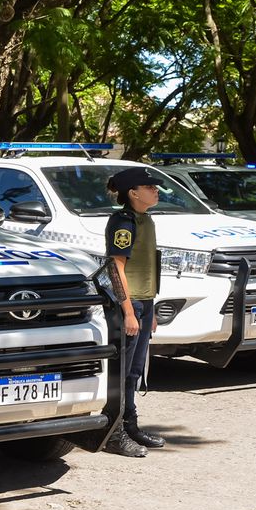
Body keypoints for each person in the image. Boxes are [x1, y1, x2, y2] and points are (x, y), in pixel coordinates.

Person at [103, 167, 165, 458]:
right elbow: (116, 268)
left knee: (135, 372)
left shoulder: (145, 219)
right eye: (149, 187)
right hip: (130, 303)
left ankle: (131, 425)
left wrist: (149, 309)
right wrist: (129, 311)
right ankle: (114, 434)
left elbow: (148, 265)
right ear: (133, 193)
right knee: (122, 372)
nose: (155, 191)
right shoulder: (124, 222)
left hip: (144, 302)